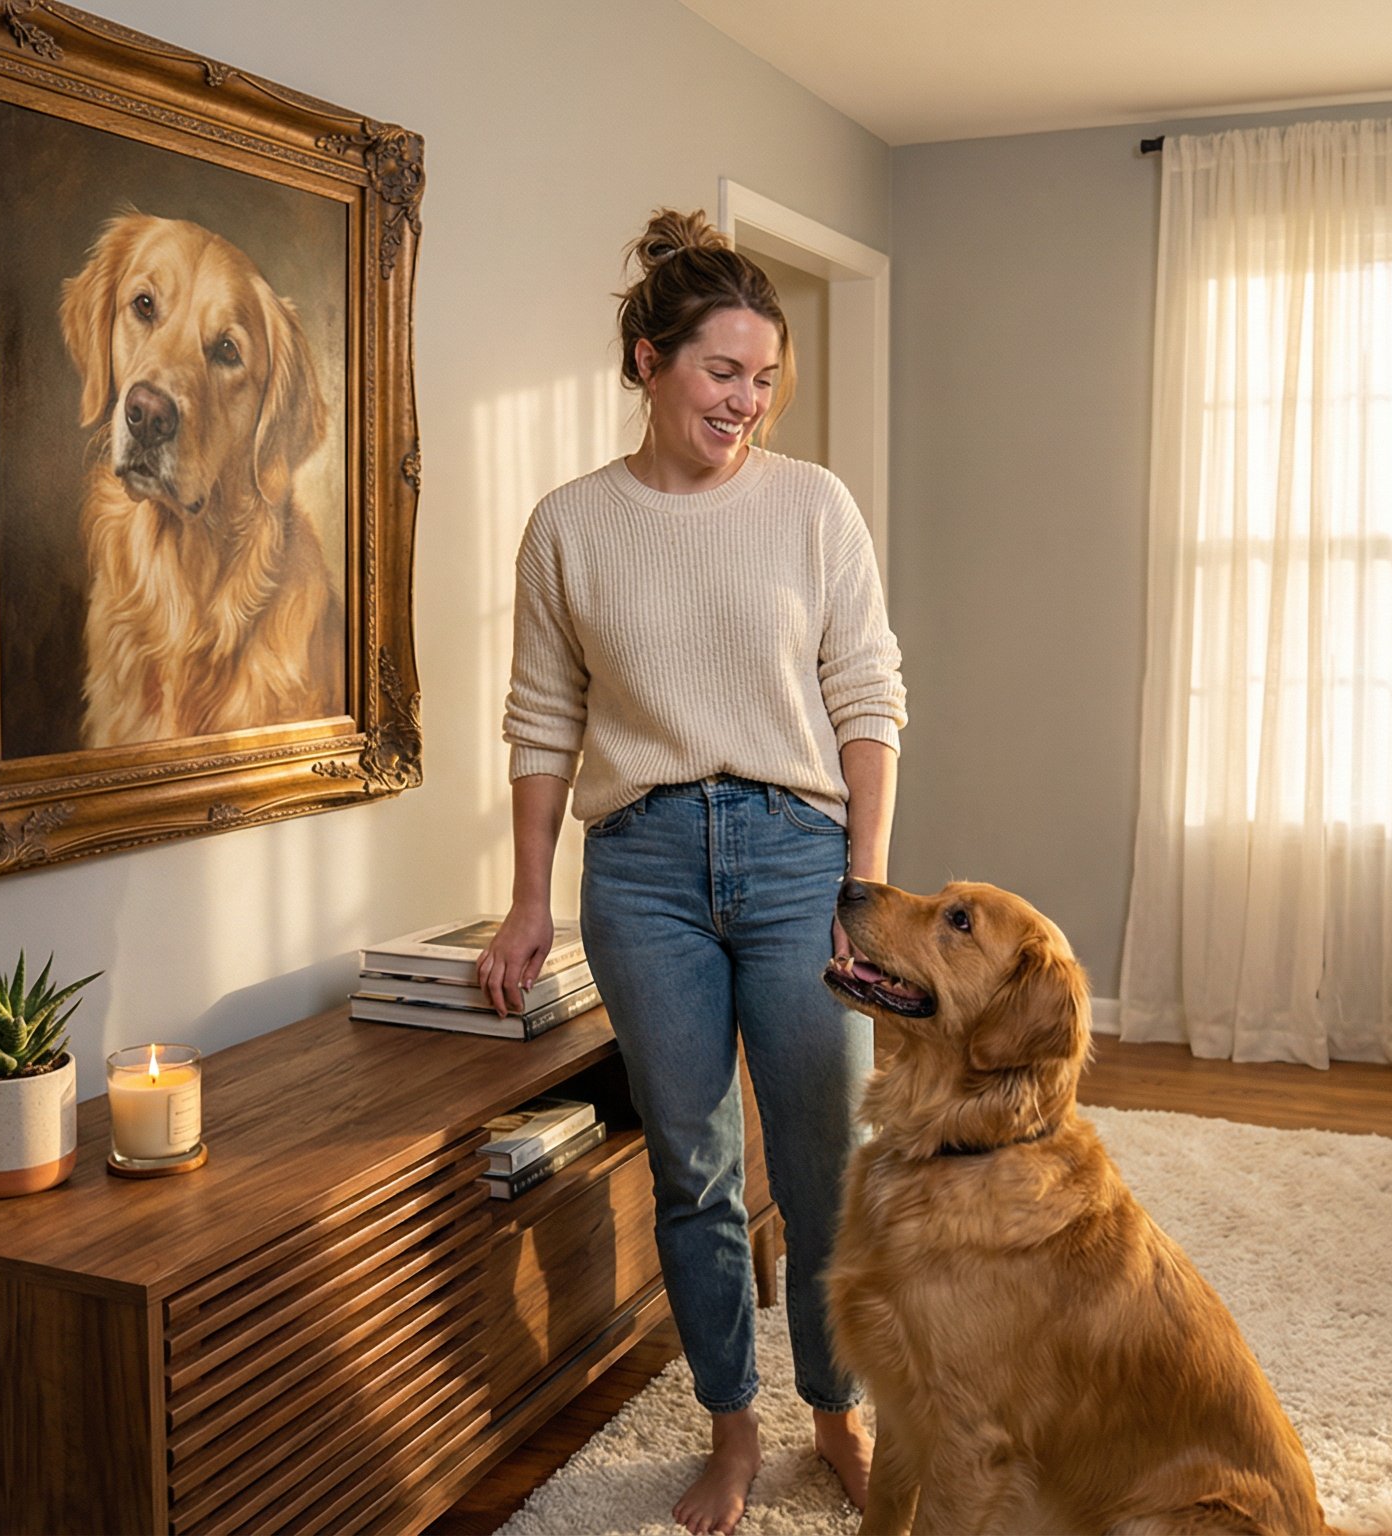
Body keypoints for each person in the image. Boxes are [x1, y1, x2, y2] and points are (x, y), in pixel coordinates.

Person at [480, 208, 905, 1532]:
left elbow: (868, 695)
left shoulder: (813, 506)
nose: (748, 402)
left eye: (766, 378)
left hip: (796, 858)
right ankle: (732, 1429)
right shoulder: (571, 527)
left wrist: (864, 888)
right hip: (644, 871)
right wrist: (529, 896)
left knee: (825, 1155)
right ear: (652, 362)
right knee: (693, 1169)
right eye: (725, 372)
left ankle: (838, 1413)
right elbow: (542, 719)